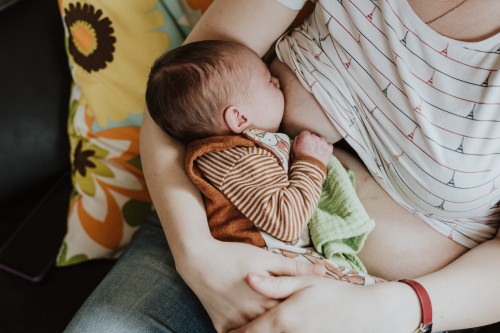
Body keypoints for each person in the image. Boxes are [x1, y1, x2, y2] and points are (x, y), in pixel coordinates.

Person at [65, 1, 500, 332]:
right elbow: (177, 98)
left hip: (380, 305)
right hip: (219, 228)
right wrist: (197, 255)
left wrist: (392, 309)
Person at [145, 39, 375, 276]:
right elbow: (287, 223)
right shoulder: (238, 161)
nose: (277, 81)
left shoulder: (236, 151)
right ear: (240, 119)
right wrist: (310, 161)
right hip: (271, 266)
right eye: (268, 81)